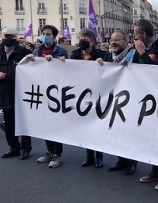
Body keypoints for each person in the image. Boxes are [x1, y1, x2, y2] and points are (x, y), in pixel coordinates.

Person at [134, 19, 158, 191]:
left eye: (136, 34)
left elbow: (157, 71)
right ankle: (155, 170)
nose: (135, 37)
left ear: (142, 34)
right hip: (144, 97)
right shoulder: (137, 48)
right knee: (150, 137)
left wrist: (142, 53)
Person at [0, 27, 32, 159]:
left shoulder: (24, 52)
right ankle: (13, 147)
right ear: (1, 36)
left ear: (16, 38)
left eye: (11, 36)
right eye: (6, 36)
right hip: (4, 92)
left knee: (24, 122)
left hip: (22, 93)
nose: (8, 39)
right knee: (9, 123)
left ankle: (25, 148)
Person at [71, 28, 111, 168]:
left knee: (97, 127)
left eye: (85, 41)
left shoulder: (102, 55)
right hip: (81, 95)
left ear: (93, 42)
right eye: (80, 40)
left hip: (98, 95)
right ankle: (89, 156)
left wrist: (103, 65)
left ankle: (99, 155)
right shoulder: (75, 55)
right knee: (86, 127)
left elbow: (110, 72)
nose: (82, 43)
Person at [28, 25, 68, 168]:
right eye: (44, 33)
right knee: (45, 123)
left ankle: (58, 154)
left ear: (54, 36)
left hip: (56, 92)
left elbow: (67, 70)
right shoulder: (37, 50)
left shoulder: (60, 51)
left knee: (56, 124)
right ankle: (49, 151)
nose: (46, 36)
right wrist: (30, 61)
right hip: (41, 90)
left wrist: (59, 62)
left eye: (49, 34)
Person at [107, 30, 139, 175]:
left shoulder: (134, 56)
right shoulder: (108, 56)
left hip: (130, 99)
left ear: (126, 42)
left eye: (117, 40)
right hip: (114, 100)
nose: (113, 42)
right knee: (117, 132)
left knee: (130, 133)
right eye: (112, 39)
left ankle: (132, 162)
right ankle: (121, 159)